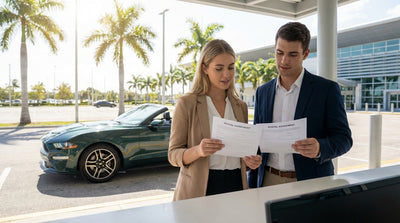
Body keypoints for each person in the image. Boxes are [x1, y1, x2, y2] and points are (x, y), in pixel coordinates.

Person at [248, 22, 352, 188]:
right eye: (279, 52)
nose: (284, 60)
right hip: (268, 180)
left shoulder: (326, 90)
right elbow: (258, 141)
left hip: (310, 181)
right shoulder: (263, 92)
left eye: (293, 54)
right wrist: (251, 162)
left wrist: (319, 147)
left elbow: (344, 139)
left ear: (306, 54)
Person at [168, 39, 262, 201]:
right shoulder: (187, 103)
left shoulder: (241, 106)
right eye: (219, 68)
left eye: (231, 68)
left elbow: (241, 153)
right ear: (204, 68)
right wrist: (198, 150)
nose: (227, 74)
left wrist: (251, 162)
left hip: (236, 184)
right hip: (200, 187)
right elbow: (173, 155)